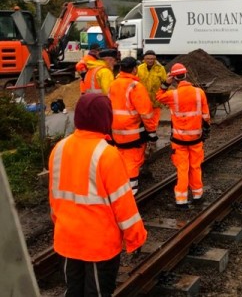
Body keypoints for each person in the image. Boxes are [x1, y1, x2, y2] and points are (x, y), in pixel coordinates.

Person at [48, 93, 147, 296]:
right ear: (105, 118)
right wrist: (135, 239)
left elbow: (54, 198)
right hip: (98, 246)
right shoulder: (107, 155)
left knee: (73, 291)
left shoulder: (59, 148)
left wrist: (62, 226)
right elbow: (124, 206)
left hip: (66, 238)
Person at [156, 63, 211, 209]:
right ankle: (198, 195)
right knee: (195, 166)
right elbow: (206, 115)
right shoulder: (199, 92)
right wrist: (206, 128)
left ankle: (181, 200)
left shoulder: (172, 95)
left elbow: (158, 96)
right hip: (196, 138)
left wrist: (165, 84)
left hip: (179, 140)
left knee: (182, 168)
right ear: (186, 75)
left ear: (174, 78)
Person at [109, 56, 158, 196]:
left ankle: (119, 185)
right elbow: (146, 113)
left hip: (115, 131)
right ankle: (131, 190)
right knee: (133, 160)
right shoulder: (136, 87)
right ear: (134, 69)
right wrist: (152, 134)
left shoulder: (114, 84)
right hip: (133, 132)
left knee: (120, 158)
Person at [136, 50, 167, 130]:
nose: (150, 60)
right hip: (143, 100)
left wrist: (164, 98)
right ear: (144, 59)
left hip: (156, 100)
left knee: (154, 121)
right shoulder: (139, 68)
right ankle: (146, 136)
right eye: (148, 59)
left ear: (155, 59)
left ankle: (152, 136)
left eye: (152, 59)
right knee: (143, 120)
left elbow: (165, 82)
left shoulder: (161, 69)